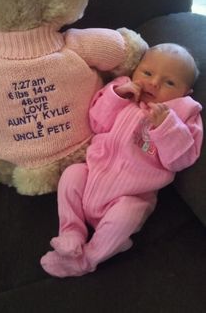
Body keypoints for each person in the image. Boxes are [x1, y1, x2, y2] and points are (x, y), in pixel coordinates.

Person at [40, 43, 203, 277]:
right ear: (136, 70)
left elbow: (180, 161)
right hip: (92, 179)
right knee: (72, 173)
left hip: (128, 197)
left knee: (128, 213)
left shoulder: (184, 115)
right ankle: (71, 232)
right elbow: (96, 122)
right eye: (147, 73)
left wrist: (167, 127)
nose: (154, 83)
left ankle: (89, 258)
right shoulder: (121, 90)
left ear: (186, 93)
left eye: (169, 83)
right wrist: (117, 97)